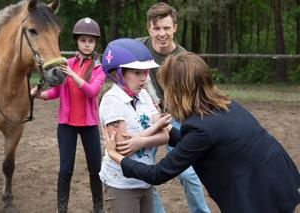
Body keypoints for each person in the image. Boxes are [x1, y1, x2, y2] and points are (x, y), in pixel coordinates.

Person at [104, 52, 300, 213]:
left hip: (257, 195)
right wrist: (167, 129)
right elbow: (198, 145)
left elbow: (158, 173)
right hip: (278, 177)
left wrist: (116, 156)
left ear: (178, 89)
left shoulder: (201, 128)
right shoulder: (226, 105)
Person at [137, 2, 210, 213]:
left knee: (187, 173)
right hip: (145, 116)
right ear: (149, 28)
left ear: (175, 28)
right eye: (157, 28)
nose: (162, 33)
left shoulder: (182, 58)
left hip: (174, 116)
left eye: (166, 28)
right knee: (143, 170)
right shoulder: (137, 48)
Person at [31, 17, 105, 213]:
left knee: (95, 170)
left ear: (95, 43)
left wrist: (73, 75)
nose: (87, 44)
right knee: (65, 170)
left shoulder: (99, 68)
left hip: (89, 125)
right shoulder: (65, 63)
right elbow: (56, 92)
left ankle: (98, 207)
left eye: (91, 41)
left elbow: (92, 91)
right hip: (67, 125)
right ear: (77, 42)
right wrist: (39, 95)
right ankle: (61, 209)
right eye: (83, 40)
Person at [99, 38, 171, 213]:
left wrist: (139, 141)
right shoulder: (112, 101)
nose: (144, 78)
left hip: (145, 179)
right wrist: (155, 128)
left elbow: (167, 135)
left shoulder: (144, 95)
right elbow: (123, 148)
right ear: (117, 73)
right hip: (121, 184)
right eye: (137, 72)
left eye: (145, 72)